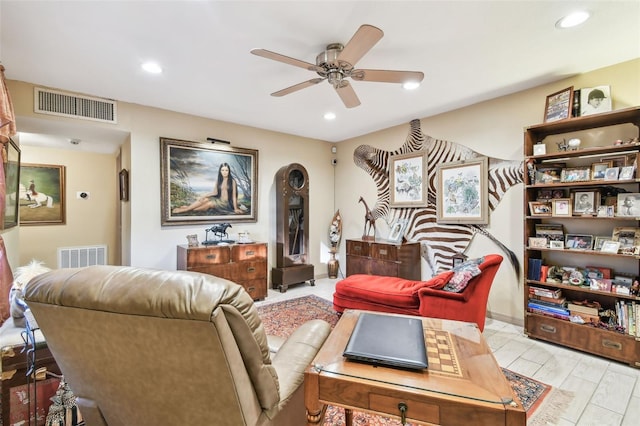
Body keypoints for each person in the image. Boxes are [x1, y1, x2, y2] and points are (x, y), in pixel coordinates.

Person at [172, 163, 243, 214]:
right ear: (220, 171)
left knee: (209, 204)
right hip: (218, 199)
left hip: (226, 203)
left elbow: (234, 196)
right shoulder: (219, 180)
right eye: (223, 170)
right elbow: (215, 193)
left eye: (226, 170)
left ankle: (187, 209)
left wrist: (236, 208)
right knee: (205, 199)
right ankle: (188, 208)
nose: (224, 172)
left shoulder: (232, 181)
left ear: (229, 171)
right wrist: (204, 196)